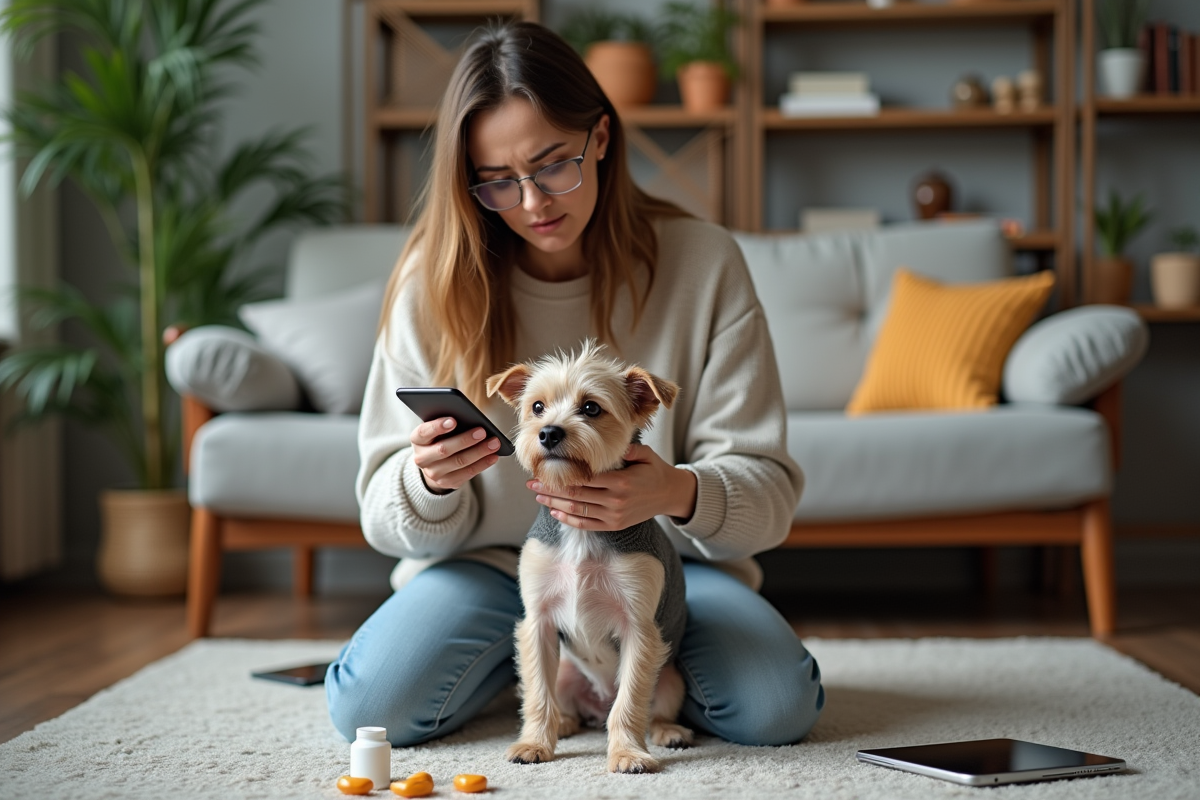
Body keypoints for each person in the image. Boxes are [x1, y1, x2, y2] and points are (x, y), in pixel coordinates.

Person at [325, 20, 824, 749]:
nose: (531, 202)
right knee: (373, 709)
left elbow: (771, 495)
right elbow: (379, 509)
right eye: (497, 180)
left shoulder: (704, 263)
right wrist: (427, 482)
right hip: (491, 571)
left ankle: (573, 676)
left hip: (662, 569)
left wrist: (673, 492)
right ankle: (537, 666)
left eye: (553, 164)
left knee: (778, 709)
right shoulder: (431, 282)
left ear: (602, 137)